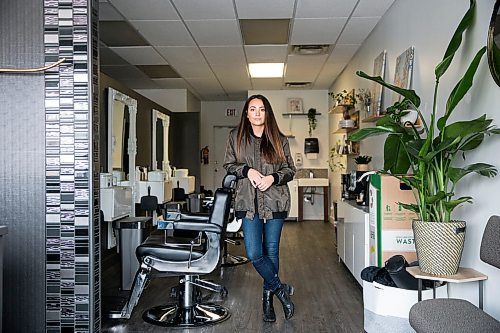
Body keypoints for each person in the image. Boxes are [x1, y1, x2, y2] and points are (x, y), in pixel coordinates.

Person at [223, 94, 296, 322]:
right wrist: (248, 171)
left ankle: (268, 303)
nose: (257, 113)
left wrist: (273, 178)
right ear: (246, 113)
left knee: (271, 251)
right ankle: (281, 291)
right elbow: (228, 164)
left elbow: (290, 170)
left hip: (275, 201)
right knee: (255, 253)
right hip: (247, 202)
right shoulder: (235, 137)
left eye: (261, 109)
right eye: (252, 109)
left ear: (267, 113)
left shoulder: (279, 139)